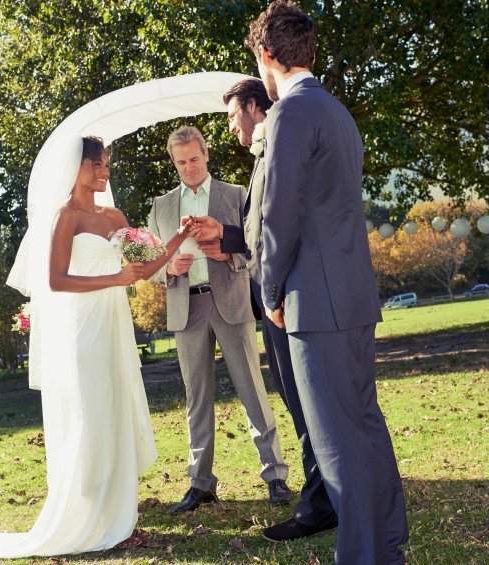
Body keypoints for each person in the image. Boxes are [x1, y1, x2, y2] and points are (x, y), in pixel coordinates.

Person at [0, 136, 189, 558]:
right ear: (74, 167)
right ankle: (87, 513)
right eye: (96, 164)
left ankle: (119, 512)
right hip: (84, 327)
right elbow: (56, 281)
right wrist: (112, 279)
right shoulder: (65, 217)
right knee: (92, 409)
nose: (104, 172)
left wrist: (176, 241)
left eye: (106, 164)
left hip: (115, 323)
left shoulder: (114, 215)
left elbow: (141, 268)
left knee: (115, 405)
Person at [244, 2, 410, 564]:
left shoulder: (290, 115)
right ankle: (387, 538)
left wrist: (269, 292)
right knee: (364, 423)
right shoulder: (337, 111)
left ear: (267, 55)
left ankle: (366, 555)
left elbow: (278, 214)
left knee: (339, 442)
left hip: (314, 301)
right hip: (354, 294)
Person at [189, 77, 339, 539]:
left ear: (254, 106)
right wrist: (226, 236)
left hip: (287, 298)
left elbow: (281, 228)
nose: (231, 126)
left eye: (233, 115)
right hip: (275, 298)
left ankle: (319, 506)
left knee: (305, 400)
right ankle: (325, 494)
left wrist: (270, 294)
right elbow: (259, 230)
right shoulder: (266, 150)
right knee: (298, 401)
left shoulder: (280, 145)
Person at [147, 125, 291, 514]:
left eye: (195, 159)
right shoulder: (161, 206)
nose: (189, 168)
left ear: (206, 154)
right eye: (181, 162)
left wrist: (227, 255)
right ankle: (201, 484)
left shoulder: (236, 195)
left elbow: (253, 247)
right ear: (173, 162)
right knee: (197, 400)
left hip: (230, 302)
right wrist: (168, 268)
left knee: (252, 391)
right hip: (185, 309)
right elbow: (149, 264)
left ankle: (276, 476)